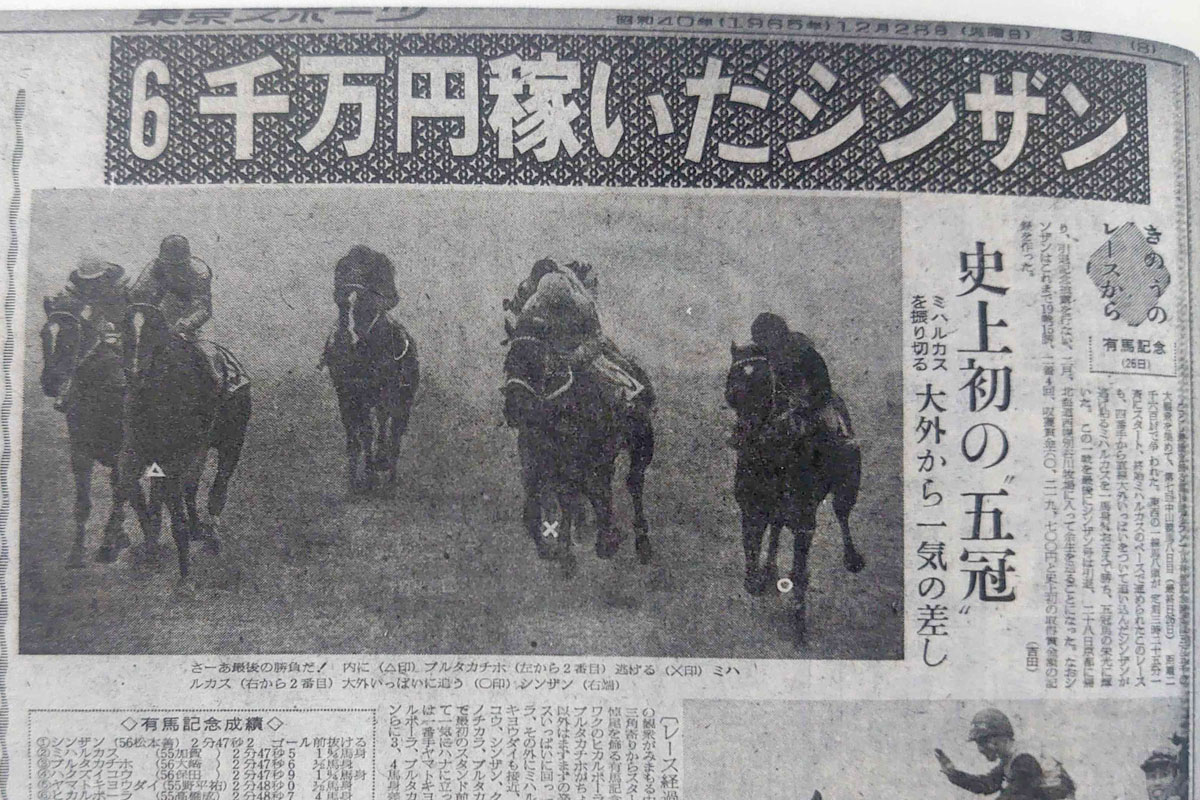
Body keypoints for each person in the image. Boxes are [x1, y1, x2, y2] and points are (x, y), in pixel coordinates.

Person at [507, 257, 649, 406]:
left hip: (577, 347)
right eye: (551, 307)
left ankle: (629, 399)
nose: (556, 312)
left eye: (560, 307)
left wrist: (579, 354)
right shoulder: (530, 309)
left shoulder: (584, 305)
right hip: (548, 352)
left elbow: (596, 339)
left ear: (569, 299)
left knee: (615, 374)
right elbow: (523, 339)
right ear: (541, 300)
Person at [728, 311, 846, 448]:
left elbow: (822, 387)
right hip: (775, 409)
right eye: (759, 340)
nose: (763, 345)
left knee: (828, 430)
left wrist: (804, 408)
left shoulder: (804, 352)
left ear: (779, 335)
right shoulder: (759, 358)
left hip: (810, 403)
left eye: (765, 338)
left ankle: (841, 446)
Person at [127, 234, 226, 393]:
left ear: (186, 262)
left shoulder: (199, 272)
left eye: (177, 266)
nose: (171, 270)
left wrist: (184, 325)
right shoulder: (153, 268)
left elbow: (203, 308)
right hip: (164, 312)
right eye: (167, 265)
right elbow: (137, 294)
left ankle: (219, 386)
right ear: (161, 261)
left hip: (192, 316)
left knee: (208, 352)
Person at [45, 256, 129, 411]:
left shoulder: (117, 284)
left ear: (103, 274)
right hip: (85, 328)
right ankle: (64, 387)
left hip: (113, 327)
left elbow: (123, 309)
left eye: (95, 279)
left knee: (117, 353)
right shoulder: (74, 286)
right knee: (72, 352)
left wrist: (112, 322)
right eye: (87, 280)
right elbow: (63, 305)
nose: (91, 283)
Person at [935, 708, 1075, 800]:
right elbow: (988, 784)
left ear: (1000, 738)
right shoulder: (1011, 759)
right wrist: (954, 774)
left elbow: (1016, 796)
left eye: (983, 742)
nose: (980, 749)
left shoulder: (1025, 760)